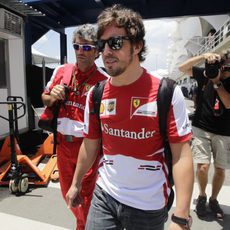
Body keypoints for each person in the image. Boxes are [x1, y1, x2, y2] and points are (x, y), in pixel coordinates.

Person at [66, 5, 194, 230]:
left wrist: (181, 216)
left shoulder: (167, 92)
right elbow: (90, 144)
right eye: (101, 44)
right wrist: (76, 183)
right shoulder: (95, 94)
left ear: (137, 46)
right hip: (104, 196)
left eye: (115, 43)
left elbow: (181, 155)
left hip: (149, 205)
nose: (106, 51)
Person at [41, 24, 108, 230]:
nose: (80, 52)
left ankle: (84, 225)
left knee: (84, 197)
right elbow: (44, 98)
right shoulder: (62, 71)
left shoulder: (104, 81)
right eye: (77, 46)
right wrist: (52, 96)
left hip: (87, 148)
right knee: (66, 193)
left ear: (97, 52)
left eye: (87, 48)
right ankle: (83, 223)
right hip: (62, 146)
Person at [178, 50, 230, 219]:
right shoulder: (205, 73)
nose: (226, 71)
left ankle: (213, 200)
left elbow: (228, 104)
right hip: (201, 127)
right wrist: (203, 57)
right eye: (224, 67)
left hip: (224, 131)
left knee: (220, 170)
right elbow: (182, 67)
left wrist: (217, 83)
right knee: (203, 166)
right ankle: (202, 196)